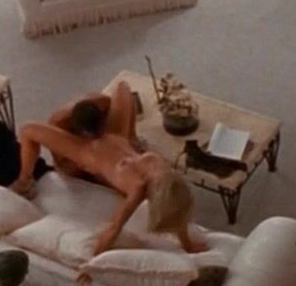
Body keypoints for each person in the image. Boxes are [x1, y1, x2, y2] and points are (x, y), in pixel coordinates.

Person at [11, 81, 207, 268]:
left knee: (28, 129)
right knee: (121, 87)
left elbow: (114, 227)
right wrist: (187, 245)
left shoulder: (137, 185)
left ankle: (24, 182)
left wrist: (91, 263)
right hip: (115, 139)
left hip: (92, 152)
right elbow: (175, 202)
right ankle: (128, 136)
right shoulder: (153, 162)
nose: (130, 161)